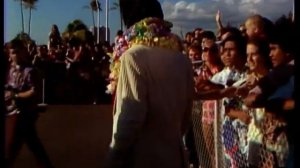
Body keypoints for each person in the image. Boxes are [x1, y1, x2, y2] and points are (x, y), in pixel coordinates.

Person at [104, 0, 194, 168]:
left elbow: (130, 118)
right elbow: (186, 116)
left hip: (143, 158)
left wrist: (113, 158)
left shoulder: (133, 56)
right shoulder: (182, 59)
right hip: (175, 157)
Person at [5, 39, 53, 168]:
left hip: (23, 113)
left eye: (18, 52)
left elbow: (34, 91)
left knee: (10, 149)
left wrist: (16, 95)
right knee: (33, 144)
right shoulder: (11, 70)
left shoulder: (29, 71)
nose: (16, 55)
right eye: (13, 53)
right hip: (13, 112)